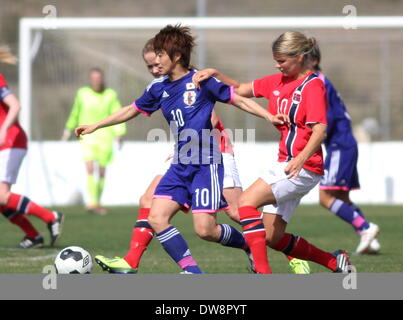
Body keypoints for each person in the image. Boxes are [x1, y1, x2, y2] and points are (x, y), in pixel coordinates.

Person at [75, 25, 287, 274]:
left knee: (205, 230)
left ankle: (252, 246)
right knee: (156, 217)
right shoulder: (158, 87)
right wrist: (97, 125)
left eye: (161, 55)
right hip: (179, 164)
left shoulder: (201, 81)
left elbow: (237, 98)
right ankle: (192, 271)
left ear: (176, 56)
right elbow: (132, 109)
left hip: (205, 163)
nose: (157, 60)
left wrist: (268, 115)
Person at [193, 31, 353, 274]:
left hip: (302, 166)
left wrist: (299, 159)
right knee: (271, 237)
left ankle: (263, 274)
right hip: (288, 165)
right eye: (276, 60)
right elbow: (241, 89)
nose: (277, 65)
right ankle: (334, 262)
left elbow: (320, 130)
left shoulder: (313, 85)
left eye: (282, 61)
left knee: (245, 202)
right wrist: (216, 74)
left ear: (299, 57)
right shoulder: (277, 81)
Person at [307, 43, 380, 255]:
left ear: (313, 61)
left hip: (340, 146)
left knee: (325, 198)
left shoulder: (318, 83)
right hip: (343, 144)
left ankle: (366, 228)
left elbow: (325, 120)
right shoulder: (321, 82)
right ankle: (368, 235)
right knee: (342, 199)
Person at [0, 46, 63, 248]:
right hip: (6, 141)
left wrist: (3, 130)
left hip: (11, 139)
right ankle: (33, 236)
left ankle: (50, 217)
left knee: (1, 195)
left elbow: (15, 105)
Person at [63, 68, 126, 215]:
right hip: (87, 135)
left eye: (98, 78)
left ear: (102, 79)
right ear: (90, 79)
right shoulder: (82, 93)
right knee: (90, 168)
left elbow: (118, 114)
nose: (96, 80)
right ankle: (91, 202)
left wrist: (120, 132)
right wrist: (68, 128)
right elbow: (75, 112)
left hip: (105, 136)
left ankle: (97, 202)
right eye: (94, 78)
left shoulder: (110, 95)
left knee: (102, 171)